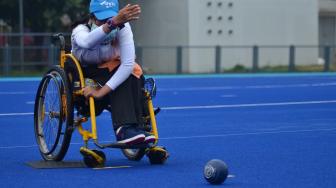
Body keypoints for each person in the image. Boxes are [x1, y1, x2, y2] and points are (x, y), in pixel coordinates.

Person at [71, 0, 155, 145]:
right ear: (92, 18)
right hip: (87, 71)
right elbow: (87, 42)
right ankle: (124, 128)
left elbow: (127, 64)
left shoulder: (123, 26)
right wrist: (112, 24)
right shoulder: (80, 30)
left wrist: (101, 92)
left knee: (134, 72)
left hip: (112, 68)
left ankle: (137, 127)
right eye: (102, 20)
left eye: (110, 18)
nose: (107, 22)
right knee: (122, 75)